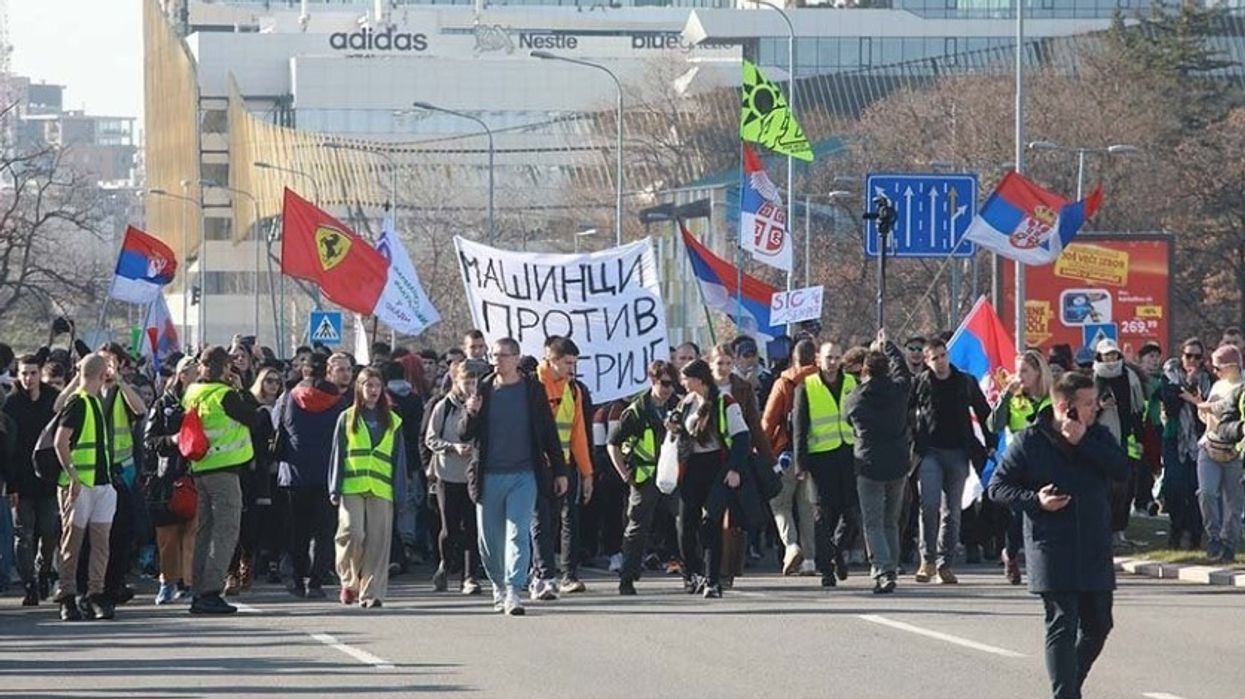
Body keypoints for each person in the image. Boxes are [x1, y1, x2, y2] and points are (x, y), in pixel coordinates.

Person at [988, 371, 1131, 699]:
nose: (1095, 408)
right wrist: (1035, 500)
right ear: (1066, 407)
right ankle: (1065, 694)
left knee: (1098, 625)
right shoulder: (1030, 440)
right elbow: (997, 487)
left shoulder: (1098, 435)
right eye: (1088, 403)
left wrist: (1083, 442)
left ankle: (1069, 686)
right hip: (1051, 546)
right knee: (1062, 623)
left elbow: (1122, 470)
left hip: (1093, 544)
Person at [461, 337, 569, 616]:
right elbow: (464, 434)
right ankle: (498, 585)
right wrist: (471, 413)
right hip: (489, 475)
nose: (497, 360)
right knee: (489, 540)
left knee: (518, 533)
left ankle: (513, 590)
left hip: (524, 474)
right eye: (494, 355)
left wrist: (559, 470)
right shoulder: (483, 388)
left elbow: (548, 432)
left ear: (517, 358)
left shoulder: (532, 390)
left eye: (503, 355)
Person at [909, 337, 995, 583]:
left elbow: (984, 412)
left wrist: (990, 443)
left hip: (958, 452)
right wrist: (910, 439)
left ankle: (945, 564)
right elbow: (905, 412)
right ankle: (927, 560)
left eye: (943, 355)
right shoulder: (920, 383)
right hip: (929, 451)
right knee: (929, 505)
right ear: (927, 361)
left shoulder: (965, 381)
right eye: (934, 358)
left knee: (952, 511)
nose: (940, 361)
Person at [670, 359, 754, 599]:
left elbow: (742, 437)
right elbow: (680, 432)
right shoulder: (686, 403)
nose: (682, 383)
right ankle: (692, 573)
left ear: (699, 380)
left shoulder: (725, 402)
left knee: (711, 524)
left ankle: (713, 580)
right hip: (690, 468)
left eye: (686, 378)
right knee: (685, 526)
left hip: (717, 467)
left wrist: (735, 469)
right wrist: (674, 428)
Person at [182, 346, 257, 614]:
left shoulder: (192, 392)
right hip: (224, 471)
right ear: (225, 368)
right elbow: (254, 417)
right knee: (225, 532)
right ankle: (211, 591)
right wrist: (241, 389)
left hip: (201, 468)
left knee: (205, 532)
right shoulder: (225, 395)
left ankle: (198, 590)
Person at [329, 367, 407, 608]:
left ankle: (371, 592)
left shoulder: (393, 420)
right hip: (352, 485)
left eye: (377, 386)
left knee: (378, 541)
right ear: (359, 388)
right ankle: (349, 581)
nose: (373, 390)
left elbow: (399, 459)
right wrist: (334, 487)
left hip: (381, 488)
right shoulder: (347, 417)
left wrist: (400, 492)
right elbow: (337, 454)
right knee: (353, 533)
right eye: (368, 385)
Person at [273, 352, 349, 599]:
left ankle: (297, 579)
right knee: (325, 531)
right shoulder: (338, 401)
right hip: (328, 473)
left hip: (294, 473)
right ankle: (316, 581)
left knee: (299, 530)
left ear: (305, 371)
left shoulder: (289, 397)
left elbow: (276, 426)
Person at [843, 333, 912, 594]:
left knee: (872, 522)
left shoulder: (855, 399)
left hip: (869, 464)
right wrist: (889, 346)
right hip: (898, 463)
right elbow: (903, 371)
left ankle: (884, 569)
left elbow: (849, 419)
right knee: (891, 520)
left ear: (864, 371)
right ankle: (891, 565)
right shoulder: (899, 391)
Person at [793, 340, 864, 588]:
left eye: (836, 357)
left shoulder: (852, 383)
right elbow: (800, 428)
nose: (832, 362)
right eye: (828, 358)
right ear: (818, 360)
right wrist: (800, 464)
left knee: (851, 513)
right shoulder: (806, 386)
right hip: (820, 458)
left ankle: (836, 551)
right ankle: (826, 569)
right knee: (823, 516)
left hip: (849, 455)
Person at [607, 361, 680, 595]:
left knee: (683, 522)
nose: (669, 389)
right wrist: (623, 473)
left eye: (673, 384)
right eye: (665, 383)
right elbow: (613, 443)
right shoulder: (636, 410)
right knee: (637, 527)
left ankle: (692, 575)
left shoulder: (678, 405)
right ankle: (627, 578)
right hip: (645, 476)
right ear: (653, 381)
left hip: (672, 473)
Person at [52, 354, 116, 621]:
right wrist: (73, 477)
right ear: (102, 376)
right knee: (72, 543)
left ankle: (94, 594)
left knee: (100, 543)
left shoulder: (93, 401)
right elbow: (60, 442)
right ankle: (67, 595)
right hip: (79, 485)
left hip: (101, 483)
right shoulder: (78, 402)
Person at [531, 336, 594, 599]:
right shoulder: (532, 384)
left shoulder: (573, 390)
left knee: (555, 522)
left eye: (574, 363)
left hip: (563, 466)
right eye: (567, 363)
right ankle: (543, 576)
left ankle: (547, 573)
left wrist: (587, 473)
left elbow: (578, 434)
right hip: (536, 465)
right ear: (552, 359)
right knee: (540, 521)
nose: (572, 368)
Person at [987, 350, 1053, 585]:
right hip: (1018, 463)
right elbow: (994, 425)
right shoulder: (1014, 399)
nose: (1020, 376)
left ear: (1038, 372)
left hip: (1044, 462)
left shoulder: (1050, 398)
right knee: (1020, 514)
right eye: (1018, 371)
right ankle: (1011, 554)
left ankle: (1044, 561)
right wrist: (1006, 395)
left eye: (1025, 371)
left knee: (1044, 512)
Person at [142, 356, 200, 605]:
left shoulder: (203, 402)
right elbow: (149, 441)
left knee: (193, 533)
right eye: (194, 373)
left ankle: (189, 584)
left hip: (196, 475)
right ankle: (168, 582)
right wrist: (172, 439)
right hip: (167, 477)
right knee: (167, 536)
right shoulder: (163, 403)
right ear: (182, 375)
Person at [4, 354, 59, 606]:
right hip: (21, 481)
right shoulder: (11, 404)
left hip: (48, 480)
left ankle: (45, 570)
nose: (28, 378)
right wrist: (11, 484)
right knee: (23, 536)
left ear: (40, 374)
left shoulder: (51, 399)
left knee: (49, 531)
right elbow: (7, 449)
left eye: (33, 373)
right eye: (24, 373)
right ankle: (29, 584)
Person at [761, 339, 819, 577]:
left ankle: (791, 546)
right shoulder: (822, 381)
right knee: (807, 507)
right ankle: (810, 560)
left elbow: (768, 421)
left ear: (793, 358)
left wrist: (762, 451)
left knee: (780, 503)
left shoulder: (784, 382)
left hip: (787, 452)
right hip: (817, 451)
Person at [426, 361, 484, 595]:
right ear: (456, 381)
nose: (470, 387)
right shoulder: (444, 406)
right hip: (447, 474)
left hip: (473, 475)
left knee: (472, 527)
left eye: (473, 383)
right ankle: (444, 563)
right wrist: (452, 447)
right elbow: (430, 439)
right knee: (449, 528)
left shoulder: (481, 405)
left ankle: (470, 576)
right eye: (466, 382)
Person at [223, 366, 279, 595]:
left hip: (257, 472)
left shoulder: (257, 407)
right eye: (268, 380)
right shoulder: (224, 400)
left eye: (276, 381)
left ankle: (247, 562)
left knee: (251, 526)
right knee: (232, 524)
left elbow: (258, 428)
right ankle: (231, 572)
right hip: (232, 467)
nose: (273, 385)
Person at [1090, 338, 1146, 544]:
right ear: (1099, 357)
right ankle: (1102, 529)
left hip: (1125, 439)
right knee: (1103, 487)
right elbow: (1086, 413)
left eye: (1113, 354)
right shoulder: (1093, 379)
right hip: (1100, 440)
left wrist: (1139, 438)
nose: (1111, 358)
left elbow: (1136, 410)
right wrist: (1100, 406)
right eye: (1106, 355)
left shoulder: (1129, 377)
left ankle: (1119, 529)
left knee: (1124, 486)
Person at [1158, 338, 1211, 550]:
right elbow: (1170, 404)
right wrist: (1189, 390)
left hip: (1198, 440)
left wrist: (1191, 395)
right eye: (1189, 356)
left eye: (1197, 357)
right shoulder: (1170, 375)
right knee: (1174, 486)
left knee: (1195, 488)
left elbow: (1206, 409)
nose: (1193, 361)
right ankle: (1177, 528)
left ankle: (1195, 533)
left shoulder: (1208, 379)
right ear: (1181, 356)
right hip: (1175, 438)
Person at [1194, 344, 1245, 562]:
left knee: (1234, 503)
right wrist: (1203, 410)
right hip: (1209, 446)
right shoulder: (1217, 386)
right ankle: (1213, 536)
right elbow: (1206, 416)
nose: (1215, 371)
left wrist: (1212, 409)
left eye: (1218, 367)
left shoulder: (1241, 388)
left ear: (1232, 366)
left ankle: (1228, 543)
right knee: (1206, 493)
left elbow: (1230, 414)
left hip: (1234, 451)